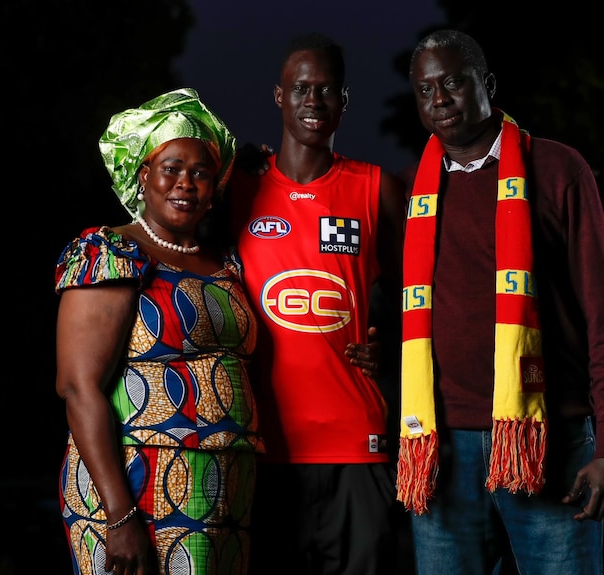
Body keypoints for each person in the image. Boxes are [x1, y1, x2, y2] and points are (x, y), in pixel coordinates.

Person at [395, 30, 604, 575]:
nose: (440, 99)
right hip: (441, 450)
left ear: (487, 85)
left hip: (553, 444)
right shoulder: (414, 193)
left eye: (454, 82)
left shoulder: (556, 169)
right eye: (425, 89)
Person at [54, 88, 263, 575]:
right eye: (171, 167)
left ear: (214, 188)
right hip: (137, 488)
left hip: (223, 491)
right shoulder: (110, 252)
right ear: (143, 175)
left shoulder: (225, 263)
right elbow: (77, 387)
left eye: (200, 172)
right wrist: (120, 515)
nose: (185, 183)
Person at [227, 32, 406, 575]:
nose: (313, 101)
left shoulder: (376, 189)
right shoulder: (238, 189)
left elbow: (420, 297)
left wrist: (391, 347)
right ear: (279, 97)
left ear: (344, 102)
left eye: (326, 90)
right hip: (263, 447)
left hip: (358, 442)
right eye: (301, 89)